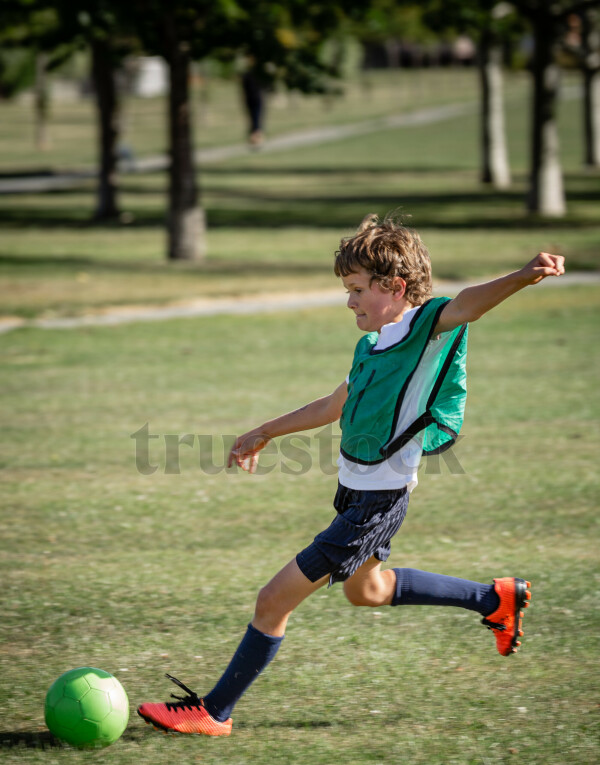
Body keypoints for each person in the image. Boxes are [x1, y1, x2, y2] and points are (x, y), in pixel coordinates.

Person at [138, 213, 565, 736]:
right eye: (348, 289)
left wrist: (523, 276)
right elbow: (333, 404)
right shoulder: (373, 346)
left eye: (358, 289)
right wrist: (265, 431)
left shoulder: (424, 329)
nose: (350, 301)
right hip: (355, 493)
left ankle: (213, 711)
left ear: (396, 286)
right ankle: (494, 599)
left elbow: (469, 302)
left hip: (376, 505)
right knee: (369, 591)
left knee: (273, 600)